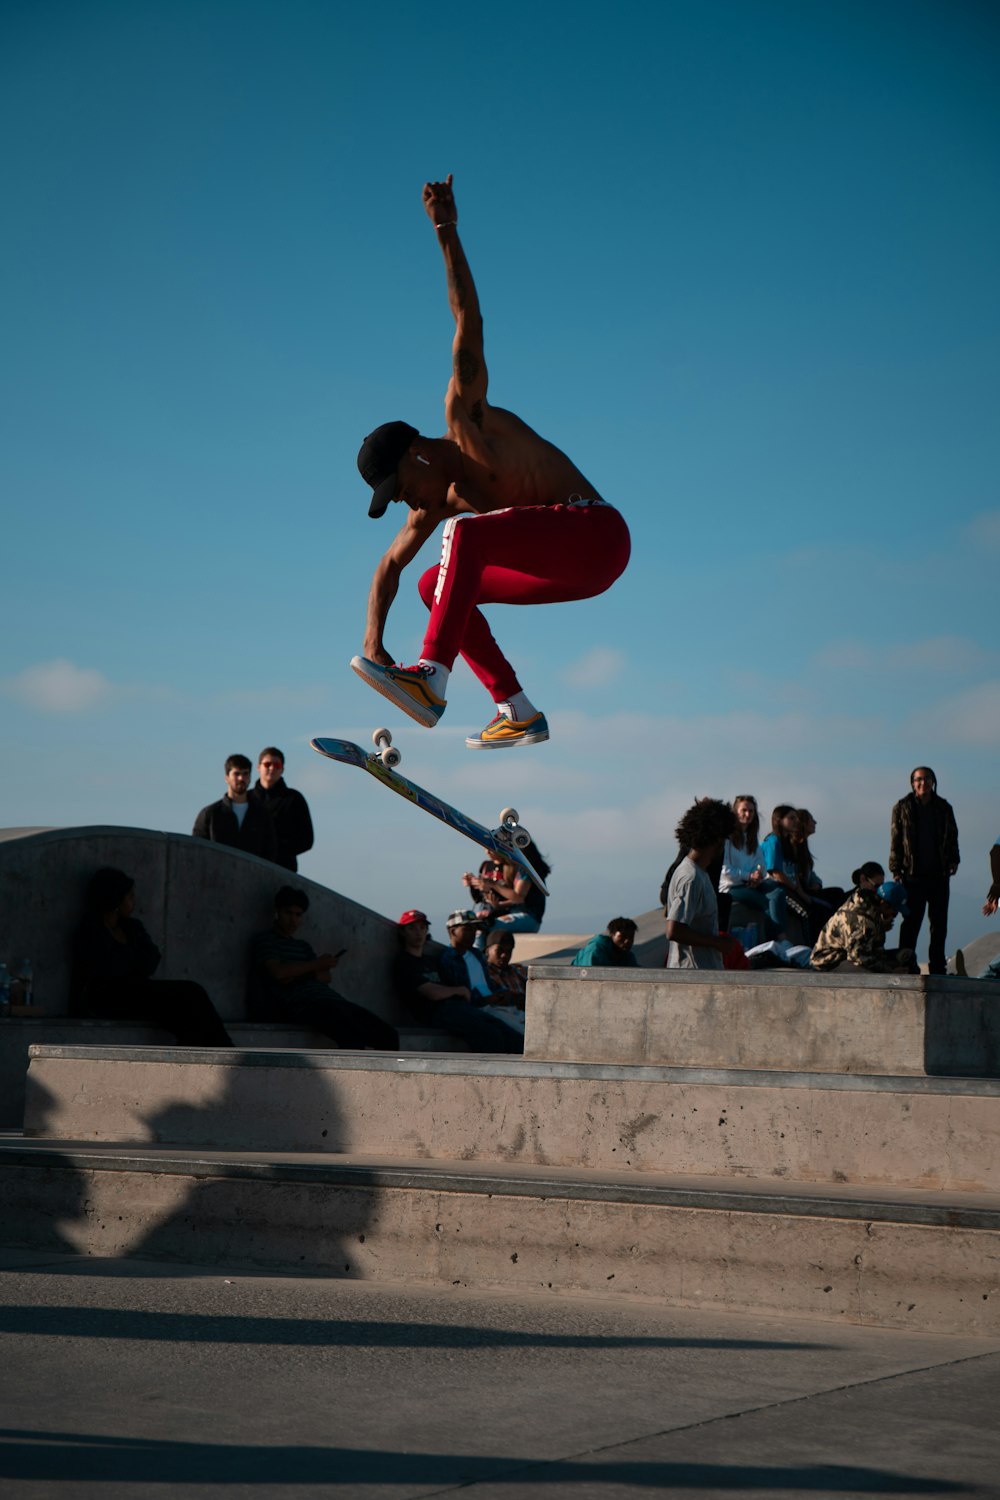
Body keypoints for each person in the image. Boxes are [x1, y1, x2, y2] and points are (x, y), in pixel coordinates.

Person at [350, 173, 631, 749]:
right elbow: (390, 568)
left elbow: (467, 321)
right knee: (436, 582)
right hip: (566, 570)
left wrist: (445, 231)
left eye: (402, 487)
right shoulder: (439, 501)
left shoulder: (467, 418)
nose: (409, 502)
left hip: (598, 536)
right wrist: (373, 645)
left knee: (463, 539)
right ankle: (518, 708)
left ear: (419, 453)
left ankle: (430, 680)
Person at [71, 867, 233, 1046]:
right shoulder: (91, 930)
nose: (134, 901)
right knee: (184, 996)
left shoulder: (132, 927)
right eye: (130, 896)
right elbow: (108, 970)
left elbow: (151, 960)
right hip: (105, 998)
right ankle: (219, 1048)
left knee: (192, 993)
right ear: (116, 899)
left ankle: (219, 1047)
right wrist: (132, 961)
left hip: (136, 990)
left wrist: (129, 962)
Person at [250, 886, 399, 1049]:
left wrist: (299, 973)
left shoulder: (302, 946)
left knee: (388, 1035)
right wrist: (315, 966)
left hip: (331, 999)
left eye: (298, 915)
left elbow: (325, 977)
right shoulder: (266, 941)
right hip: (303, 1004)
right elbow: (278, 973)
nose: (293, 920)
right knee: (352, 1038)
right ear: (277, 912)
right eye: (288, 913)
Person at [392, 909, 523, 1053]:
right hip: (439, 1012)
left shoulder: (432, 960)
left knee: (512, 1036)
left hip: (460, 1007)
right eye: (412, 928)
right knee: (491, 1036)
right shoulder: (407, 961)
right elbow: (433, 993)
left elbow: (486, 985)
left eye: (422, 928)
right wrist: (460, 991)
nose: (418, 933)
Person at [889, 766, 960, 976]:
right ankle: (906, 964)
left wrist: (954, 860)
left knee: (939, 924)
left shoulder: (944, 807)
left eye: (927, 779)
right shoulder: (902, 807)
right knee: (911, 923)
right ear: (913, 783)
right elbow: (895, 839)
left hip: (939, 875)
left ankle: (938, 966)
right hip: (912, 875)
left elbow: (953, 836)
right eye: (918, 779)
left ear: (933, 782)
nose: (923, 783)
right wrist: (896, 869)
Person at [664, 799, 743, 970]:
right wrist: (717, 942)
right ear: (718, 841)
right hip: (692, 975)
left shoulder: (699, 873)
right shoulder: (690, 878)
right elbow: (674, 930)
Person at [810, 881, 917, 974]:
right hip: (829, 963)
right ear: (883, 904)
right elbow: (859, 957)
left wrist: (880, 927)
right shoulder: (860, 920)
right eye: (894, 911)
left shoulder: (871, 910)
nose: (894, 915)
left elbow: (871, 947)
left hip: (849, 957)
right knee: (875, 974)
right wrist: (890, 971)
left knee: (907, 956)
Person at [718, 795, 787, 939]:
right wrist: (748, 876)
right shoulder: (727, 838)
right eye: (744, 810)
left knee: (778, 892)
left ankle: (781, 938)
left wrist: (758, 875)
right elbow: (725, 871)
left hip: (752, 883)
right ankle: (778, 939)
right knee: (765, 903)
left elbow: (761, 863)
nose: (747, 814)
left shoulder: (751, 837)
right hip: (732, 886)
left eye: (751, 811)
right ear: (736, 812)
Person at [193, 754, 278, 863]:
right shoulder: (210, 814)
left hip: (253, 877)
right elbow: (197, 850)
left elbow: (270, 853)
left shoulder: (262, 815)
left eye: (245, 774)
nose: (241, 778)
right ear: (227, 778)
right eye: (236, 774)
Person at [250, 747, 314, 872]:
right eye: (267, 764)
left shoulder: (294, 799)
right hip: (248, 866)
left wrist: (275, 850)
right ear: (259, 767)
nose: (272, 768)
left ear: (282, 769)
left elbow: (306, 840)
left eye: (277, 765)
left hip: (283, 870)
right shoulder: (246, 799)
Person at [793, 809, 846, 930]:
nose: (815, 823)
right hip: (800, 891)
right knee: (826, 907)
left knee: (838, 892)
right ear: (803, 823)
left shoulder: (803, 845)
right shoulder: (794, 846)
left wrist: (817, 883)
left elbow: (810, 872)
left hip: (809, 889)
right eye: (811, 820)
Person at [572, 918, 639, 968]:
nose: (627, 941)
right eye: (623, 936)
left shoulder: (628, 957)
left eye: (631, 937)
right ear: (612, 935)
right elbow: (589, 977)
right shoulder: (595, 952)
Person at [483, 929, 528, 1001]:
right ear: (487, 951)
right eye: (499, 950)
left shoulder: (518, 971)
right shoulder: (482, 973)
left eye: (509, 951)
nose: (504, 955)